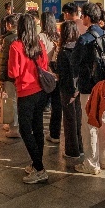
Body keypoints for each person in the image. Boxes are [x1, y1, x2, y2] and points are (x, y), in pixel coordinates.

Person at [8, 13, 52, 183]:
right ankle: (36, 164)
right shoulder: (39, 44)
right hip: (41, 91)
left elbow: (14, 72)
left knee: (25, 130)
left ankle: (40, 169)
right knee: (38, 128)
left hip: (26, 92)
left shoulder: (16, 46)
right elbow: (45, 66)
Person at [72, 3, 105, 174]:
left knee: (89, 124)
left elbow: (74, 62)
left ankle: (91, 163)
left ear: (88, 18)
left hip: (88, 87)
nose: (82, 19)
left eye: (83, 16)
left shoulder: (84, 39)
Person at [56, 20, 83, 168]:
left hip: (67, 89)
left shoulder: (63, 51)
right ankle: (81, 146)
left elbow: (61, 73)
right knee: (78, 117)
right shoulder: (79, 48)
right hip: (80, 88)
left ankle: (72, 150)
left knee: (69, 119)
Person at [40, 10, 62, 144]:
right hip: (56, 74)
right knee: (56, 106)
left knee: (41, 105)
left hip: (44, 73)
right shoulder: (58, 36)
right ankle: (55, 134)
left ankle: (38, 131)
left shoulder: (40, 36)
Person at [0, 14, 20, 138]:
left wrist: (1, 77)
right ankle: (16, 124)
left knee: (12, 101)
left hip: (10, 75)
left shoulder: (9, 39)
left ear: (10, 25)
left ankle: (14, 127)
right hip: (22, 75)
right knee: (18, 100)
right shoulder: (24, 36)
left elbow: (4, 60)